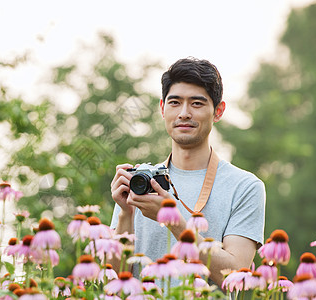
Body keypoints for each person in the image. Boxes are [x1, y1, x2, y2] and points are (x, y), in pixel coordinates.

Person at [109, 57, 266, 287]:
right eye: (175, 102)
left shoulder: (244, 186)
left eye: (197, 103)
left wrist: (173, 220)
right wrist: (125, 214)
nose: (184, 113)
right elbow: (114, 277)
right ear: (162, 109)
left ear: (218, 111)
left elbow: (235, 277)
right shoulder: (139, 182)